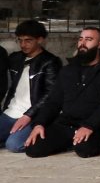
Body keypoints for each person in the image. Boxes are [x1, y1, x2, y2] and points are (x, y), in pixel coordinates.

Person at [24, 27, 100, 158]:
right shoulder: (68, 70)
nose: (83, 43)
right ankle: (69, 140)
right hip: (67, 124)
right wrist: (40, 123)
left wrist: (89, 126)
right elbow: (53, 101)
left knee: (84, 150)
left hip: (94, 125)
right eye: (81, 39)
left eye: (89, 39)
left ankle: (78, 141)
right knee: (33, 148)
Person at [1, 21, 62, 152]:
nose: (23, 44)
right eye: (20, 40)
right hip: (10, 112)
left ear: (40, 40)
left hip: (34, 115)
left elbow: (50, 93)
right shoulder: (15, 58)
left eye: (28, 40)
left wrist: (29, 115)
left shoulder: (50, 62)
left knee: (13, 145)